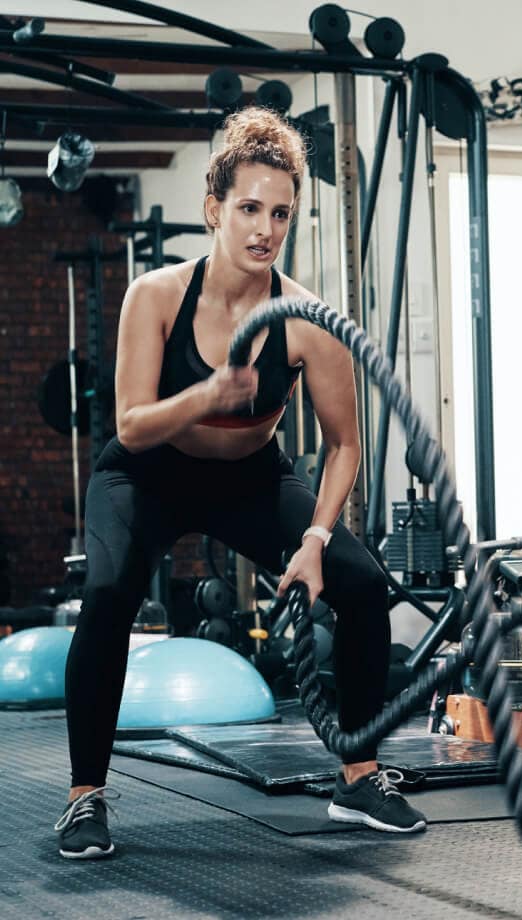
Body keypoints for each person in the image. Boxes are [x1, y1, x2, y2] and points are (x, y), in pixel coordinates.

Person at [54, 107, 426, 859]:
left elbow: (346, 443)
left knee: (360, 585)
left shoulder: (310, 318)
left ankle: (357, 777)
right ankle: (84, 796)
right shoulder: (155, 296)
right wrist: (203, 396)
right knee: (108, 593)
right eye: (250, 209)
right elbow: (129, 426)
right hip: (147, 473)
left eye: (282, 213)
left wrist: (318, 538)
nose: (265, 228)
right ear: (213, 209)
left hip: (249, 479)